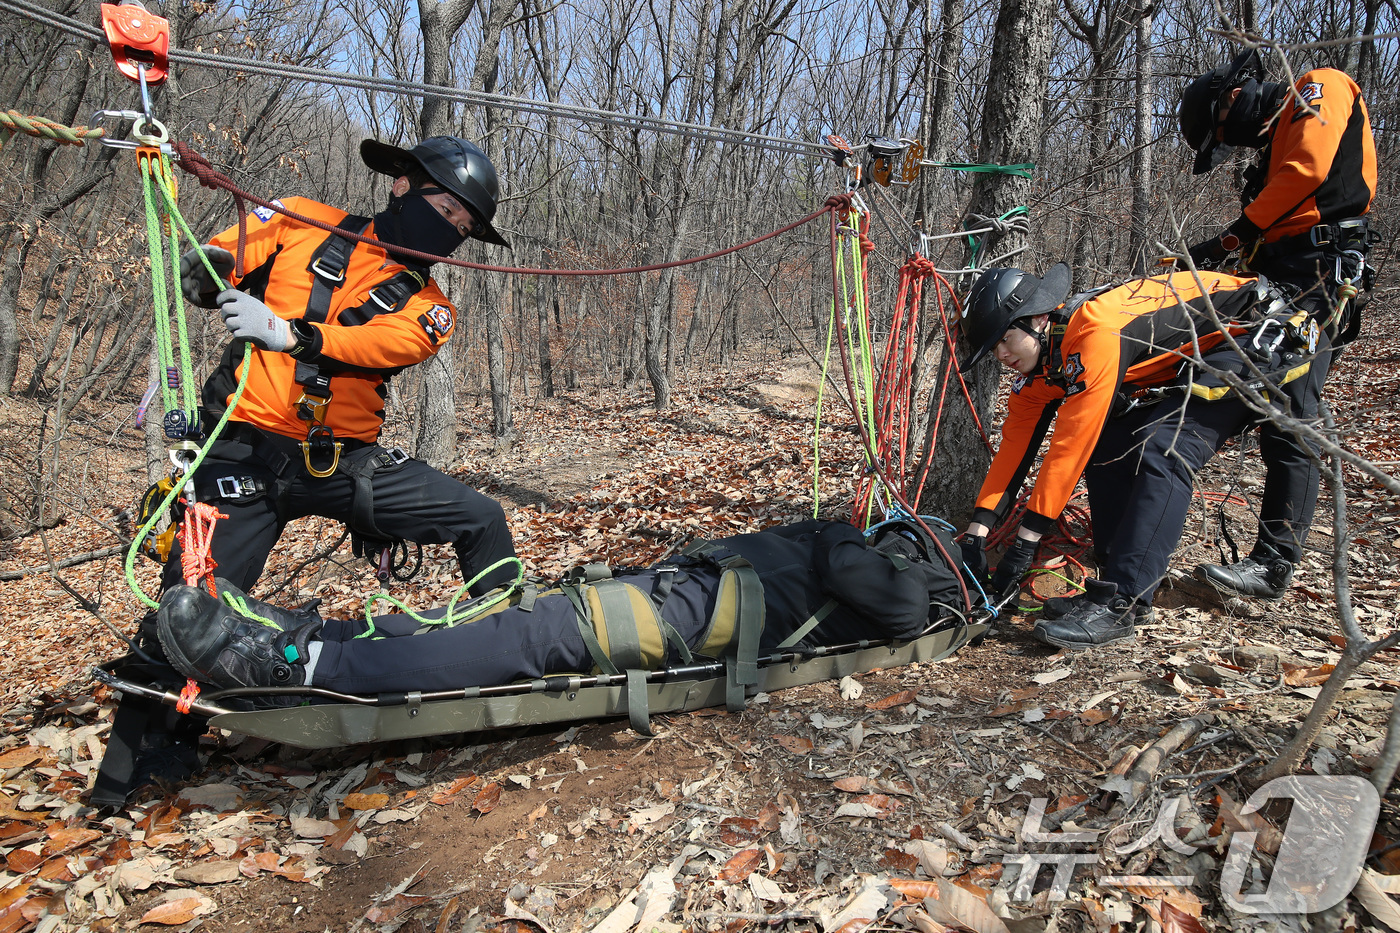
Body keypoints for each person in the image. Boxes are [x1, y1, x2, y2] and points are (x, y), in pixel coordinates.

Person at [164, 136, 517, 598]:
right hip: (244, 447)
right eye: (447, 210)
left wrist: (293, 335)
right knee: (191, 603)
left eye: (464, 228)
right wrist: (213, 271)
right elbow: (223, 260)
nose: (451, 229)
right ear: (402, 186)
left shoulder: (433, 309)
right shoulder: (299, 220)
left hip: (343, 463)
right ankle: (167, 665)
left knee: (482, 518)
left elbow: (380, 344)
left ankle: (512, 630)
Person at [151, 520, 966, 694]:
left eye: (906, 534)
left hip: (699, 618)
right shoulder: (867, 553)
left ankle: (303, 667)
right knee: (507, 615)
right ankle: (316, 634)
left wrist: (836, 534)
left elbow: (883, 599)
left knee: (531, 636)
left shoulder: (912, 586)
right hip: (683, 589)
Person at [955, 263, 1317, 651]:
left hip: (1263, 331)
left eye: (1006, 339)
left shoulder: (1094, 330)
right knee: (1110, 446)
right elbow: (1014, 448)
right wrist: (978, 534)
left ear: (1039, 319)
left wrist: (1026, 542)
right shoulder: (1043, 364)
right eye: (994, 348)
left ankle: (1122, 602)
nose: (1001, 354)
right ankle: (1111, 580)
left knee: (1164, 447)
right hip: (1199, 354)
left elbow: (1071, 444)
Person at [1178, 51, 1377, 599]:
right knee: (1277, 404)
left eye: (1223, 134)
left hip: (1321, 272)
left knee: (1292, 414)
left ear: (1233, 97)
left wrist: (1231, 237)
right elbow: (1270, 225)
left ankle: (1274, 564)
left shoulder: (1319, 85)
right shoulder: (1271, 150)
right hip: (1285, 273)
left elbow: (1310, 169)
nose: (1234, 146)